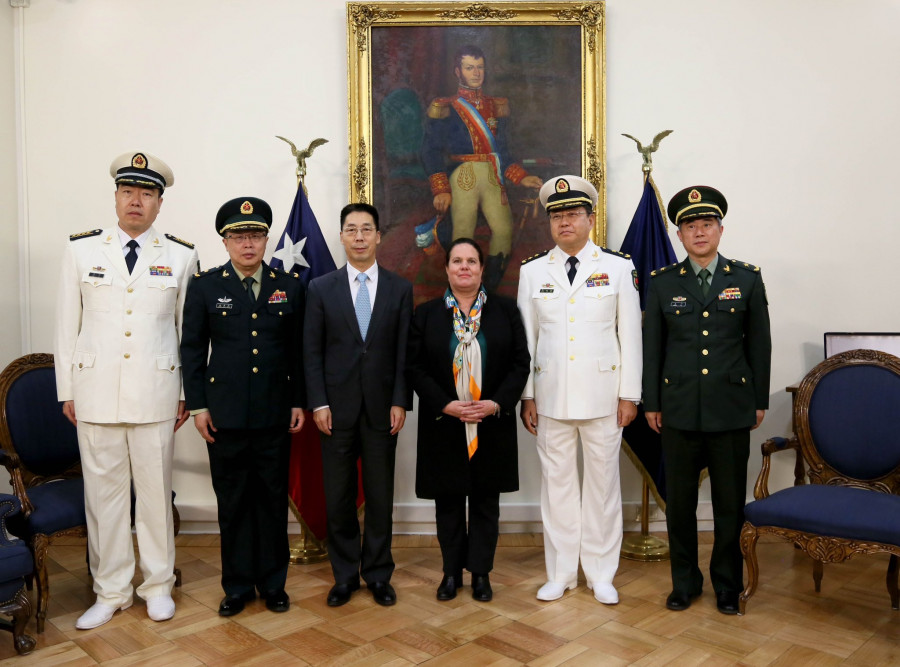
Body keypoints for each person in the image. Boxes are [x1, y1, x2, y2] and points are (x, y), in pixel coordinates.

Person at [54, 151, 198, 629]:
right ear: (116, 196)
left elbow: (187, 333)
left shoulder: (181, 254)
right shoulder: (81, 250)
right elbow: (65, 326)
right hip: (94, 393)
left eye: (147, 193)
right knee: (104, 498)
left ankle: (157, 586)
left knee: (155, 495)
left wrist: (186, 393)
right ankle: (111, 590)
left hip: (157, 392)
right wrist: (66, 388)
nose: (136, 201)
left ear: (160, 203)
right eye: (128, 191)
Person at [642, 185, 771, 615]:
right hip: (677, 409)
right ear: (679, 235)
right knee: (679, 506)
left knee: (729, 505)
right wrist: (651, 402)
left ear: (720, 229)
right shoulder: (662, 284)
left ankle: (727, 586)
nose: (699, 232)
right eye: (690, 226)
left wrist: (758, 399)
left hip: (731, 408)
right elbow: (652, 347)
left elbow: (760, 344)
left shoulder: (746, 278)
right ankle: (685, 584)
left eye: (707, 225)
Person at [517, 175, 642, 605]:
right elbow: (527, 342)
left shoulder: (619, 268)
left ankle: (602, 573)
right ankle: (562, 573)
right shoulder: (533, 271)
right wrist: (527, 396)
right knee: (557, 489)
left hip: (604, 397)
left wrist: (630, 395)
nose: (564, 222)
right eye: (557, 215)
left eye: (572, 214)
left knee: (603, 488)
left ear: (591, 218)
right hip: (550, 398)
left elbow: (631, 337)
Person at [180, 197, 305, 617]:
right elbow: (193, 350)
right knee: (232, 502)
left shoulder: (288, 284)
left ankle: (273, 584)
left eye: (254, 235)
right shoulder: (206, 286)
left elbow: (299, 351)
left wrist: (298, 401)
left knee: (271, 501)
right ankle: (236, 586)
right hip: (224, 415)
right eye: (238, 236)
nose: (247, 243)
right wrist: (198, 406)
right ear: (225, 240)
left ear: (267, 239)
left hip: (274, 412)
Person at [407, 238, 530, 602]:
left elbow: (520, 364)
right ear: (446, 269)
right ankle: (450, 574)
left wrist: (496, 403)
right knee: (447, 501)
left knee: (484, 501)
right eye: (457, 261)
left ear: (481, 268)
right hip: (443, 423)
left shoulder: (506, 311)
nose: (464, 267)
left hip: (490, 422)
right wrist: (445, 404)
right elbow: (414, 367)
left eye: (471, 261)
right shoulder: (426, 314)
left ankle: (480, 574)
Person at [304, 203, 413, 607]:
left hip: (384, 410)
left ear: (379, 236)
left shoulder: (400, 288)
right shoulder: (320, 288)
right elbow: (311, 353)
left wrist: (401, 400)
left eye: (367, 229)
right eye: (352, 230)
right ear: (342, 236)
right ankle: (345, 576)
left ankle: (379, 575)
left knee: (381, 496)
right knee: (339, 497)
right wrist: (317, 403)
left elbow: (404, 353)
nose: (360, 237)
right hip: (335, 410)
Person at [421, 44, 543, 291]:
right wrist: (441, 189)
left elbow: (504, 152)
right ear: (458, 71)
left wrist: (521, 178)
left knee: (504, 230)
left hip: (492, 175)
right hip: (463, 175)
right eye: (469, 68)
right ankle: (462, 290)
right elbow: (430, 150)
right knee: (463, 233)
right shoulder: (445, 106)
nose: (476, 73)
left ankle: (490, 289)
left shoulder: (496, 105)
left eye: (480, 68)